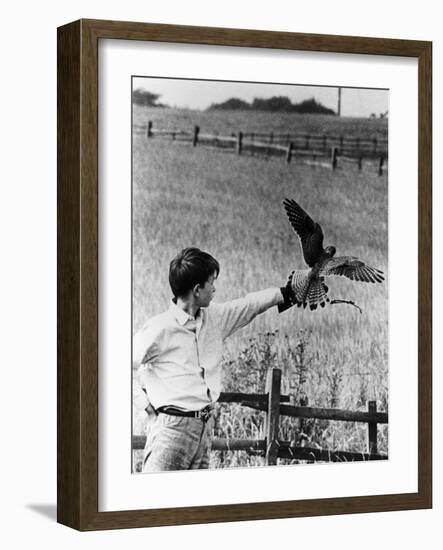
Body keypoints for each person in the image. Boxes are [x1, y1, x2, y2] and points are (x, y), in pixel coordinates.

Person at [133, 247, 295, 472]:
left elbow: (248, 305)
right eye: (212, 282)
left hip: (205, 427)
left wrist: (287, 292)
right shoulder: (160, 328)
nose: (215, 288)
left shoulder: (215, 318)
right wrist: (146, 407)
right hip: (171, 431)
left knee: (196, 504)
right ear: (197, 290)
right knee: (156, 503)